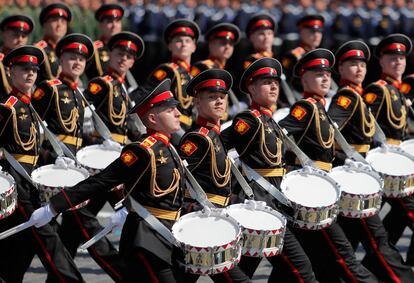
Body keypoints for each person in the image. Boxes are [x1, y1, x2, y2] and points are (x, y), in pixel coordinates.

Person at [29, 79, 189, 283]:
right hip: (148, 240)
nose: (178, 113)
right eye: (169, 110)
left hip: (166, 236)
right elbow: (101, 181)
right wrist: (53, 206)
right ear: (152, 118)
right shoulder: (142, 150)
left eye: (175, 108)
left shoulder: (169, 147)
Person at [30, 33, 129, 282]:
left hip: (76, 168)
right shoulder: (48, 89)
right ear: (60, 59)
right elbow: (33, 131)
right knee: (88, 226)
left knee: (73, 231)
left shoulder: (79, 94)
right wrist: (50, 155)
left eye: (81, 59)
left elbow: (80, 133)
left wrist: (97, 144)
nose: (77, 63)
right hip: (54, 168)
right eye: (71, 57)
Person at [277, 49, 378, 283]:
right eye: (317, 74)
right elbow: (279, 134)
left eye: (327, 74)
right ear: (303, 78)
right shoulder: (305, 108)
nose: (325, 78)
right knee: (342, 254)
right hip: (311, 194)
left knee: (313, 260)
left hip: (321, 190)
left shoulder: (320, 108)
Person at [222, 57, 318, 282]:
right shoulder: (249, 120)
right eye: (266, 82)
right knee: (300, 267)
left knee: (246, 268)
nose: (274, 86)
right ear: (251, 88)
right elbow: (215, 148)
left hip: (274, 202)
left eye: (275, 81)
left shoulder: (270, 120)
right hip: (261, 204)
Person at [328, 40, 414, 282]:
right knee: (374, 237)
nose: (359, 68)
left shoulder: (367, 94)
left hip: (381, 168)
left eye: (361, 64)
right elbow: (328, 131)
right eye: (352, 63)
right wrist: (346, 160)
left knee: (358, 238)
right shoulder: (354, 96)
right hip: (359, 174)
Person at [0, 45, 84, 283]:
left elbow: (32, 149)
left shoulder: (29, 107)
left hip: (31, 185)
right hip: (17, 187)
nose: (30, 74)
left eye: (34, 70)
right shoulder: (8, 108)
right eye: (23, 69)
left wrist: (53, 157)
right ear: (10, 72)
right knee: (50, 240)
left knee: (19, 250)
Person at [178, 68, 251, 282]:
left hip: (215, 218)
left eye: (222, 97)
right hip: (202, 220)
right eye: (211, 97)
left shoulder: (214, 136)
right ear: (197, 104)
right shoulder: (197, 139)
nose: (219, 101)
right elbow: (176, 176)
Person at [364, 33, 414, 270]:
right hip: (385, 166)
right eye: (392, 58)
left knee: (395, 221)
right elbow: (361, 126)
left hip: (401, 166)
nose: (398, 62)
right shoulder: (378, 90)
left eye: (401, 58)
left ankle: (375, 265)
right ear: (381, 61)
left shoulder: (399, 91)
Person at [131, 19, 200, 134]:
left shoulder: (192, 74)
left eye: (187, 41)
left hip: (189, 126)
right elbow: (143, 92)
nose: (183, 44)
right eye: (178, 41)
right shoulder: (167, 70)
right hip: (171, 128)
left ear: (194, 47)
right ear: (169, 46)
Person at [191, 23, 241, 121]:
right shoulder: (202, 67)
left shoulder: (226, 70)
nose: (227, 47)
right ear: (211, 44)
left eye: (230, 43)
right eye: (223, 43)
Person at [84, 3, 124, 81]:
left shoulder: (125, 49)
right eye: (110, 21)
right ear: (101, 25)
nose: (114, 25)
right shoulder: (94, 49)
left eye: (117, 21)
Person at [35, 3, 72, 83]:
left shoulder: (69, 50)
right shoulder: (38, 51)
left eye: (63, 21)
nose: (59, 25)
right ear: (45, 24)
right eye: (55, 20)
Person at [0, 14, 34, 94]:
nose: (20, 39)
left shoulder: (31, 61)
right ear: (4, 34)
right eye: (15, 35)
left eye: (24, 36)